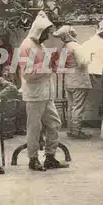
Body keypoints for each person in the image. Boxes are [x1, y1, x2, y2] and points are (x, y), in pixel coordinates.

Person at [19, 11, 69, 171]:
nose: (48, 36)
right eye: (46, 32)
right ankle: (33, 159)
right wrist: (48, 67)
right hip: (34, 95)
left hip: (45, 94)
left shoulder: (38, 45)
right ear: (39, 31)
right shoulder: (26, 46)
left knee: (54, 123)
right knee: (34, 128)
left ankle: (50, 156)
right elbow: (27, 74)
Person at [53, 25, 92, 139]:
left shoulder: (64, 47)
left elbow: (61, 65)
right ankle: (76, 131)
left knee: (71, 106)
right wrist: (90, 57)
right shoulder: (76, 46)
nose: (75, 32)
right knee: (78, 106)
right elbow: (82, 63)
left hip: (69, 81)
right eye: (72, 31)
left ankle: (71, 129)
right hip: (79, 80)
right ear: (69, 34)